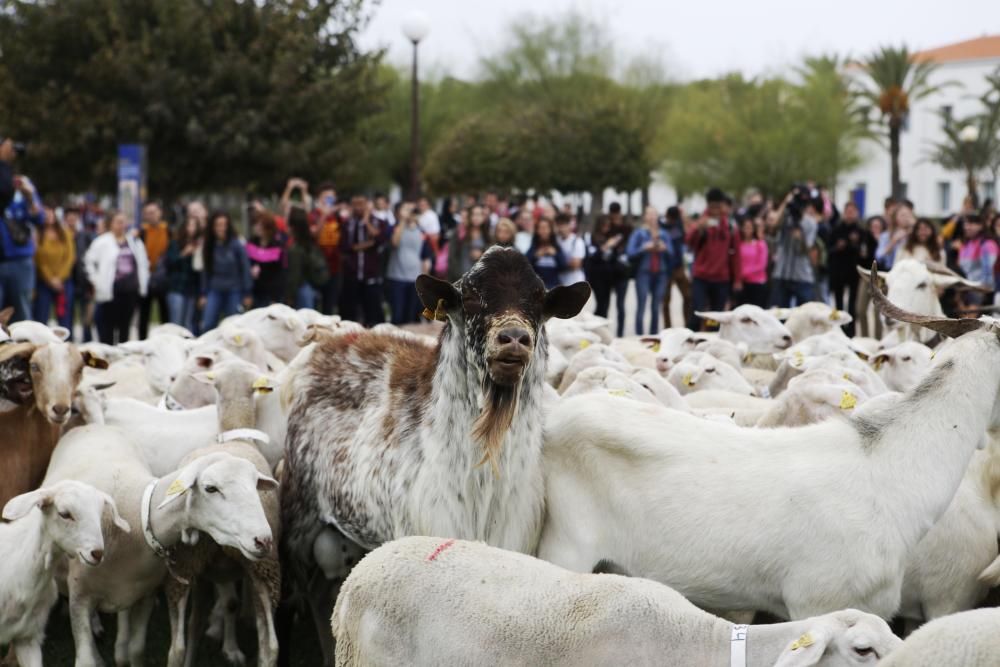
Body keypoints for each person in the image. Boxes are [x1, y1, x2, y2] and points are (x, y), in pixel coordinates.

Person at [85, 210, 149, 344]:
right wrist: (97, 281)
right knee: (108, 328)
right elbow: (88, 261)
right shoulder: (102, 242)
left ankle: (122, 358)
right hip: (111, 292)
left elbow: (143, 263)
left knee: (125, 328)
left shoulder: (134, 242)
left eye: (123, 222)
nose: (121, 225)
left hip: (130, 291)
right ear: (111, 224)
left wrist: (142, 284)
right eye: (118, 222)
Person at [0, 138, 43, 322]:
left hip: (20, 259)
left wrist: (30, 197)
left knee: (22, 312)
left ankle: (21, 350)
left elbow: (39, 218)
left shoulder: (22, 184)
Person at [685, 188, 741, 328]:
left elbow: (736, 255)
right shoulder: (701, 222)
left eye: (718, 206)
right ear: (708, 205)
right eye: (712, 207)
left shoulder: (730, 226)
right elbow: (689, 244)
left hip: (721, 278)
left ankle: (713, 343)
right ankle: (690, 341)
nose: (715, 210)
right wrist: (698, 228)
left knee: (716, 318)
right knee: (696, 314)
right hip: (701, 277)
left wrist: (737, 279)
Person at [827, 201, 874, 337]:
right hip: (838, 272)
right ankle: (839, 330)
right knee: (839, 302)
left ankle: (851, 332)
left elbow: (865, 254)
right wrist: (838, 247)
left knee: (853, 304)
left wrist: (855, 245)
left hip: (854, 272)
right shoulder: (836, 230)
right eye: (848, 212)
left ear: (857, 213)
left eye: (852, 212)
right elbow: (829, 251)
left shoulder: (862, 232)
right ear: (844, 213)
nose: (850, 215)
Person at [340, 194, 387, 326]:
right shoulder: (347, 224)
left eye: (361, 204)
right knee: (349, 314)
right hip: (352, 274)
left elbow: (380, 239)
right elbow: (345, 247)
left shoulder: (378, 222)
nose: (358, 207)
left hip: (370, 274)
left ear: (367, 205)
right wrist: (367, 244)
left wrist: (366, 222)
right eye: (355, 204)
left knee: (372, 314)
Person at [199, 211, 251, 331]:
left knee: (234, 325)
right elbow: (205, 271)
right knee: (208, 324)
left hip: (234, 289)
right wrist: (203, 293)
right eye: (218, 225)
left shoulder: (237, 244)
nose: (221, 228)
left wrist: (247, 292)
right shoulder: (209, 245)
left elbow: (245, 268)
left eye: (224, 225)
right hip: (215, 288)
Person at [770, 187, 820, 308]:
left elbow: (807, 249)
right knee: (780, 316)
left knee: (804, 316)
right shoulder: (785, 218)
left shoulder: (810, 223)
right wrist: (786, 203)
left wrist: (800, 237)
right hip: (782, 274)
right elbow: (772, 228)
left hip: (801, 276)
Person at [627, 206, 673, 335]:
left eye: (655, 214)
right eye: (649, 214)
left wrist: (664, 248)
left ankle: (653, 336)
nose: (652, 217)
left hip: (661, 273)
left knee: (655, 307)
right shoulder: (639, 233)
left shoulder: (664, 234)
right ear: (645, 217)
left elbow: (672, 253)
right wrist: (644, 248)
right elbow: (630, 252)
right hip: (643, 273)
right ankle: (639, 336)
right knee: (641, 306)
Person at [387, 202, 432, 325]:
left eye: (412, 210)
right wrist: (402, 221)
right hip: (397, 277)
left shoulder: (421, 231)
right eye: (406, 209)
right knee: (397, 316)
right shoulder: (394, 227)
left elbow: (425, 257)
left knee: (411, 318)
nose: (410, 212)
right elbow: (395, 243)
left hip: (414, 279)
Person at [32, 206, 75, 329]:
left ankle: (66, 345)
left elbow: (70, 257)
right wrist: (50, 279)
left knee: (65, 318)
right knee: (41, 317)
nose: (48, 216)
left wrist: (60, 278)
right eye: (45, 214)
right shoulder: (37, 235)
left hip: (64, 281)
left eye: (50, 213)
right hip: (44, 281)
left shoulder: (65, 233)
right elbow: (38, 259)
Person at [284, 207, 329, 310]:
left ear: (292, 226)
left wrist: (289, 297)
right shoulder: (309, 242)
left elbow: (294, 276)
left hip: (301, 291)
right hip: (312, 288)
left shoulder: (295, 249)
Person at [137, 202, 170, 339]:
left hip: (163, 277)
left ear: (160, 213)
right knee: (144, 314)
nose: (151, 216)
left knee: (165, 313)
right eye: (148, 213)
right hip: (146, 277)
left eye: (154, 212)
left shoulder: (168, 231)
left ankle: (165, 340)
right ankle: (142, 341)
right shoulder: (142, 232)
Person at [164, 216, 201, 333]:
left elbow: (199, 271)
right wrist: (184, 254)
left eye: (194, 226)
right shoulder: (175, 243)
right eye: (188, 225)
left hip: (191, 289)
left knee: (188, 323)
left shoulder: (199, 245)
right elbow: (170, 263)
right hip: (176, 288)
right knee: (176, 323)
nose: (191, 229)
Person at [956, 214, 997, 313]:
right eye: (965, 223)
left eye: (971, 223)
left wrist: (980, 294)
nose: (966, 227)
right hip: (965, 291)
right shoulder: (966, 244)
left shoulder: (987, 244)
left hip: (980, 293)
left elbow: (988, 272)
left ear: (981, 225)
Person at [312, 182, 342, 315]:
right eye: (326, 197)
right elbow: (314, 235)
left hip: (335, 267)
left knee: (329, 306)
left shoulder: (339, 217)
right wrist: (324, 215)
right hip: (317, 266)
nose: (329, 200)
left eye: (331, 197)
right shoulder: (313, 215)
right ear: (319, 198)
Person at [246, 210, 285, 307]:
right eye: (256, 224)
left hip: (270, 294)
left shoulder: (277, 246)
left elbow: (280, 274)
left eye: (260, 225)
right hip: (254, 291)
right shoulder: (251, 243)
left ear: (268, 228)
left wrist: (275, 298)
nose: (257, 228)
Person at [661, 205, 691, 328]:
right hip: (665, 268)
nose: (673, 221)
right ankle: (667, 327)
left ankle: (688, 324)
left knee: (688, 296)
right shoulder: (661, 226)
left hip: (678, 267)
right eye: (671, 219)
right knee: (666, 301)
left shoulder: (679, 225)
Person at [735, 207, 769, 308]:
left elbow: (762, 265)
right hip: (743, 284)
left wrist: (742, 274)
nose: (747, 230)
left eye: (750, 227)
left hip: (757, 283)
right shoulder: (739, 244)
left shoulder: (760, 244)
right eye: (745, 227)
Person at [447, 205, 489, 282]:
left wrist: (482, 254)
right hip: (460, 278)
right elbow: (452, 256)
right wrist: (457, 275)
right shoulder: (460, 232)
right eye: (474, 214)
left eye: (479, 214)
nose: (476, 217)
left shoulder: (487, 235)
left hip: (480, 280)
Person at [526, 217, 566, 289]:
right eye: (541, 228)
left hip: (554, 287)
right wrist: (536, 256)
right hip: (537, 288)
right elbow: (525, 265)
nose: (543, 231)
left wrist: (555, 255)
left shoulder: (556, 247)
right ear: (537, 231)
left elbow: (564, 266)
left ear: (551, 230)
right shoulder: (534, 248)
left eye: (546, 228)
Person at [875, 202, 915, 271]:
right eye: (903, 215)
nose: (906, 218)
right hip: (892, 271)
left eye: (909, 215)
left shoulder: (915, 234)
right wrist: (894, 241)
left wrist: (915, 226)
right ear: (895, 218)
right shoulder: (886, 235)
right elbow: (879, 257)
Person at [554, 213, 586, 287]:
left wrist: (559, 261)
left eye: (563, 225)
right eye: (558, 225)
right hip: (560, 282)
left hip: (575, 282)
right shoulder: (556, 240)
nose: (561, 228)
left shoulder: (577, 241)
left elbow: (576, 264)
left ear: (569, 225)